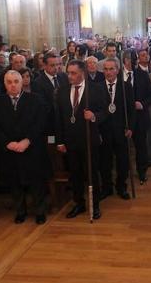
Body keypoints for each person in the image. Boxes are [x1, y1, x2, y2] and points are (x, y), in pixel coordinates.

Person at [0, 71, 52, 225]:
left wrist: (27, 140)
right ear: (4, 84)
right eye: (9, 82)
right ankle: (20, 211)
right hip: (9, 149)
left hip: (32, 148)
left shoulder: (35, 100)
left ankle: (39, 211)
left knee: (36, 182)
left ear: (22, 82)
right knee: (14, 182)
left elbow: (41, 122)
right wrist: (6, 142)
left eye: (16, 81)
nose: (13, 84)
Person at [55, 60, 107, 219]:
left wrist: (94, 116)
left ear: (82, 73)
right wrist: (60, 141)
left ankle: (95, 205)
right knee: (75, 174)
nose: (69, 76)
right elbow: (59, 118)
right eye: (68, 72)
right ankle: (79, 203)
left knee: (91, 173)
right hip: (71, 141)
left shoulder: (95, 89)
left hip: (89, 139)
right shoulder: (62, 91)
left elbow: (105, 112)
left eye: (73, 73)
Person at [99, 58, 135, 199]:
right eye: (106, 69)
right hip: (104, 131)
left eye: (111, 69)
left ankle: (121, 187)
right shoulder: (98, 87)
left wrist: (130, 127)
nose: (108, 72)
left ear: (117, 70)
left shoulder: (125, 86)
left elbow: (131, 109)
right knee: (105, 162)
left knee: (123, 161)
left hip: (121, 130)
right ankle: (107, 187)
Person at [122, 52, 151, 183]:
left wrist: (142, 104)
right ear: (125, 61)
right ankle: (124, 174)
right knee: (123, 149)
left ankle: (142, 171)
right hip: (123, 119)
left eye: (135, 59)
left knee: (141, 147)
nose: (135, 62)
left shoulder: (143, 75)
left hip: (140, 118)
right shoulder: (118, 76)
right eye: (132, 60)